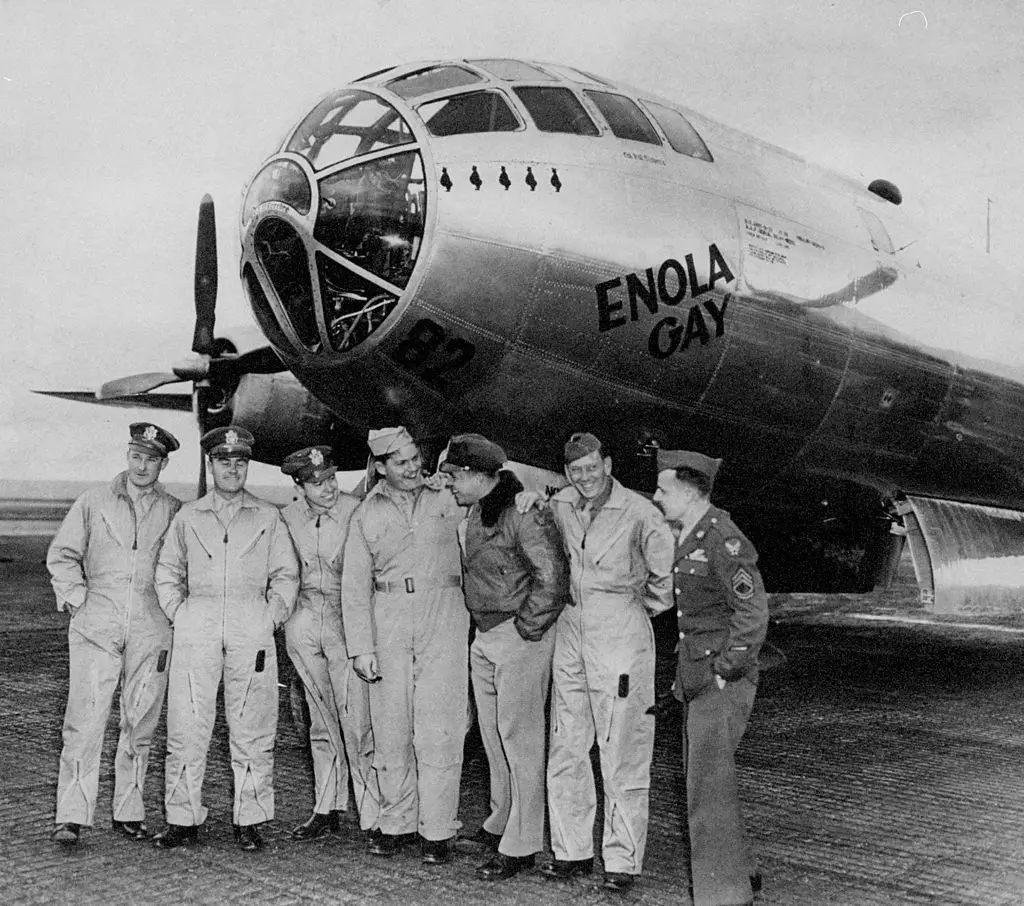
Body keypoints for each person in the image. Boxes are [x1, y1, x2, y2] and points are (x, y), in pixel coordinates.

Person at [152, 426, 299, 852]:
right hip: (197, 623)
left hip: (249, 623)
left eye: (239, 462)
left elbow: (286, 575)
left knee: (252, 726)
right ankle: (183, 818)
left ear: (246, 466)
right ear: (210, 464)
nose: (232, 469)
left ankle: (249, 819)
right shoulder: (189, 516)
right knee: (186, 724)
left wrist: (268, 617)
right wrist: (181, 613)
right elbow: (167, 572)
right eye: (223, 461)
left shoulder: (267, 516)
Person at [540, 432, 674, 892]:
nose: (585, 478)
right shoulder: (560, 506)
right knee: (567, 744)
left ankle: (622, 860)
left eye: (591, 468)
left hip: (619, 630)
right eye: (575, 471)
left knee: (622, 749)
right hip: (570, 628)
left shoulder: (640, 512)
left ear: (609, 464)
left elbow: (663, 583)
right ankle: (571, 851)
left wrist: (627, 611)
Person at [440, 433, 569, 880]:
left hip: (518, 637)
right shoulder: (477, 510)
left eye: (454, 475)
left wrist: (525, 630)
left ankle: (522, 843)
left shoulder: (523, 513)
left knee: (522, 741)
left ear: (477, 476)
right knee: (495, 738)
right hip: (487, 635)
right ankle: (500, 819)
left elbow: (552, 577)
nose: (449, 483)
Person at [47, 422, 182, 845]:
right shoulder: (93, 502)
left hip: (151, 624)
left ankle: (129, 812)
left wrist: (174, 611)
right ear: (127, 457)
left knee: (140, 721)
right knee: (84, 721)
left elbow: (184, 566)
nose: (142, 466)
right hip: (97, 624)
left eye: (151, 459)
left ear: (162, 463)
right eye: (136, 456)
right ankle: (71, 815)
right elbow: (63, 555)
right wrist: (76, 599)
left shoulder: (175, 510)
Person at [341, 427, 468, 865]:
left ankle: (437, 830)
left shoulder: (448, 497)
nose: (413, 467)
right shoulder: (365, 514)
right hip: (389, 617)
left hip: (444, 615)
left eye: (416, 458)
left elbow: (493, 495)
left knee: (440, 728)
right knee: (392, 727)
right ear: (380, 467)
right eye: (401, 462)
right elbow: (354, 587)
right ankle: (396, 822)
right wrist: (361, 647)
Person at [652, 449, 768, 906]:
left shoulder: (722, 537)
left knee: (708, 793)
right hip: (697, 676)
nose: (657, 497)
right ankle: (741, 874)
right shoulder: (692, 532)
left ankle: (723, 896)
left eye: (663, 490)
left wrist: (727, 669)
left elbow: (753, 612)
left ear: (686, 491)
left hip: (720, 680)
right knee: (708, 783)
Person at [280, 445, 381, 839]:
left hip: (347, 621)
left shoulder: (358, 510)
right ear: (300, 485)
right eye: (317, 483)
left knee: (357, 721)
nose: (327, 489)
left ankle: (373, 814)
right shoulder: (286, 519)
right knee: (319, 719)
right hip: (305, 621)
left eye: (331, 479)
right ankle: (327, 807)